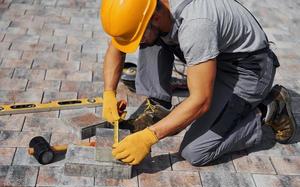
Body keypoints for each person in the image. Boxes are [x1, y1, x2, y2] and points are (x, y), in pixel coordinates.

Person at [100, 0, 297, 166]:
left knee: (195, 151)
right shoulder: (149, 9)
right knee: (151, 39)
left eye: (137, 38)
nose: (137, 45)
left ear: (156, 17)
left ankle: (270, 108)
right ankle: (158, 106)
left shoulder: (196, 25)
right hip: (214, 53)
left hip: (248, 69)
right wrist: (109, 92)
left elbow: (201, 101)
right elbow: (117, 45)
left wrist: (149, 136)